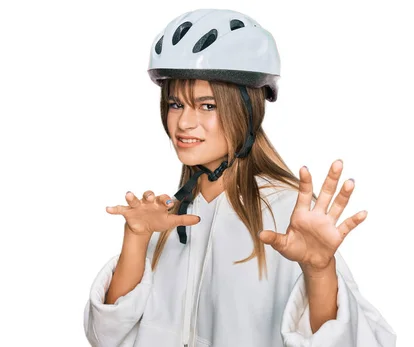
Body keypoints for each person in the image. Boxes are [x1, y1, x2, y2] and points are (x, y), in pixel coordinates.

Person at [83, 8, 396, 347]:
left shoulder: (287, 215)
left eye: (207, 106)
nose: (184, 123)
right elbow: (107, 337)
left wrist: (320, 271)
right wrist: (136, 238)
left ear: (247, 111)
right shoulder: (168, 216)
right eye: (175, 104)